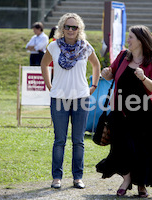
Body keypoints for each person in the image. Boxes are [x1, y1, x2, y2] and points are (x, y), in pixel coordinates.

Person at [97, 25, 152, 198]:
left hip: (144, 113)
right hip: (120, 110)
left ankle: (141, 184)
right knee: (120, 147)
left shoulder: (151, 60)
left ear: (141, 40)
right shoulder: (122, 56)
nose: (128, 40)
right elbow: (111, 74)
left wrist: (143, 77)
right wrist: (106, 73)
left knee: (142, 149)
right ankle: (126, 179)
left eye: (131, 37)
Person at [41, 13, 100, 189]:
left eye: (74, 27)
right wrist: (49, 86)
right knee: (59, 140)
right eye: (67, 26)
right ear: (62, 28)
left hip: (81, 98)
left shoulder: (86, 47)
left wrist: (94, 86)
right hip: (59, 98)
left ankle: (77, 177)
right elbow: (44, 64)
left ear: (79, 29)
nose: (71, 30)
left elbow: (96, 65)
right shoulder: (53, 46)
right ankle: (57, 177)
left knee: (78, 140)